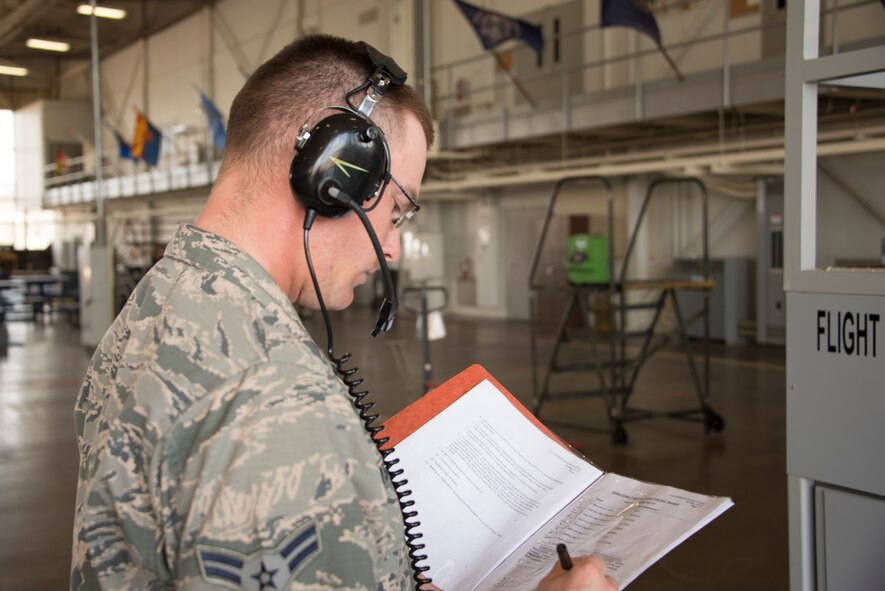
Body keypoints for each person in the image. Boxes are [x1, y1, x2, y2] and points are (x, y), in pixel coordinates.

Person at [71, 34, 617, 591]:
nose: (392, 248)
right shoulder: (275, 399)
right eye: (398, 211)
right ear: (331, 176)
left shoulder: (161, 302)